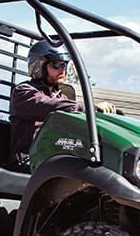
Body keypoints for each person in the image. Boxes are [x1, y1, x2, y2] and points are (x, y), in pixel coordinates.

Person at [7, 39, 114, 171]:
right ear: (38, 66)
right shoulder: (24, 92)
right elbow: (48, 105)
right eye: (56, 66)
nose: (62, 70)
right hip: (27, 160)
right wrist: (90, 107)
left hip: (50, 159)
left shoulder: (61, 96)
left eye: (64, 65)